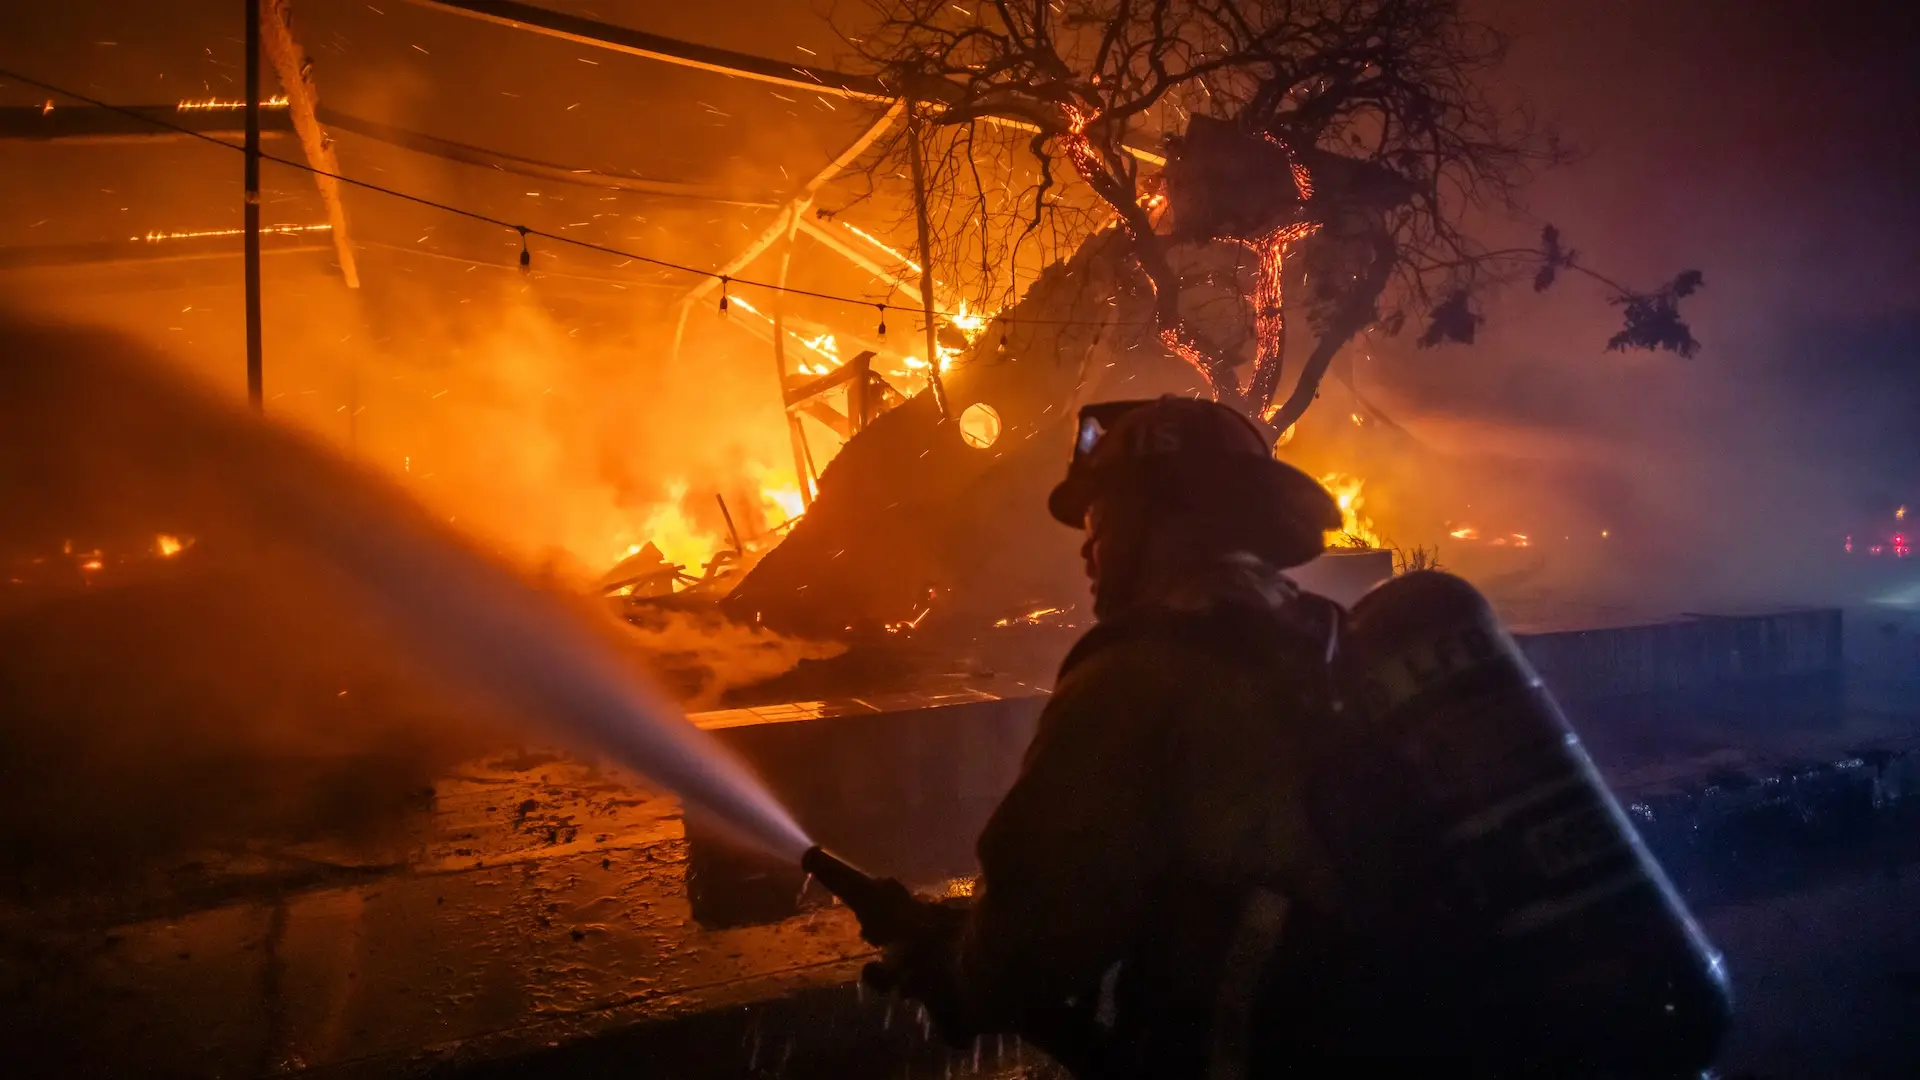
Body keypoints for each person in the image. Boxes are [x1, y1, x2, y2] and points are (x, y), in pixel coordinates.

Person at [865, 394, 1351, 1078]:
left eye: (1100, 521)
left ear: (1159, 520)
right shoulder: (1322, 633)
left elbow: (1030, 941)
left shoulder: (1136, 673)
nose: (1088, 551)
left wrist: (952, 967)